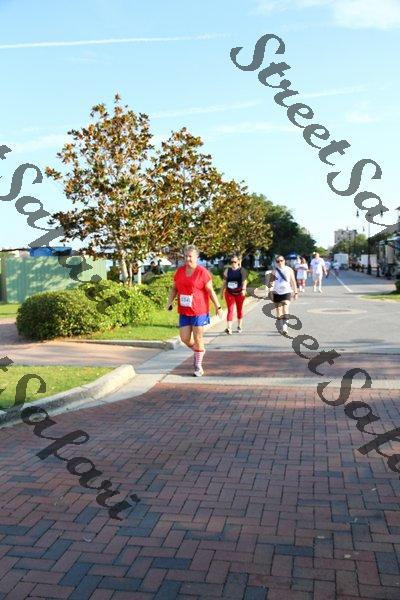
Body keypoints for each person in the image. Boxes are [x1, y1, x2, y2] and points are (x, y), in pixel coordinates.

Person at [167, 244, 223, 376]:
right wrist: (169, 302)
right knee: (184, 338)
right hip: (184, 310)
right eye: (185, 256)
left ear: (196, 257)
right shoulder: (180, 271)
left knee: (198, 338)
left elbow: (210, 291)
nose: (187, 259)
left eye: (190, 256)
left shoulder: (202, 272)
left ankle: (198, 366)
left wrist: (218, 306)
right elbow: (174, 288)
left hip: (199, 311)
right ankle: (199, 351)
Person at [266, 255, 298, 336]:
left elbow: (293, 281)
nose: (280, 262)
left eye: (281, 260)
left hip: (287, 291)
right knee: (279, 311)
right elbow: (271, 283)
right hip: (277, 292)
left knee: (285, 308)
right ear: (276, 262)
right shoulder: (274, 271)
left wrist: (296, 292)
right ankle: (280, 326)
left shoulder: (289, 269)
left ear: (284, 261)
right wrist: (270, 292)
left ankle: (285, 328)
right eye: (278, 261)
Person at [222, 254, 247, 334]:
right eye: (232, 262)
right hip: (229, 293)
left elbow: (244, 282)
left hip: (239, 293)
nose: (233, 263)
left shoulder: (242, 270)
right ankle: (229, 328)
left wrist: (244, 290)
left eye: (235, 262)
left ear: (238, 262)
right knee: (230, 310)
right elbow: (224, 282)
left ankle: (239, 326)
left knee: (239, 309)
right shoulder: (227, 271)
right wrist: (222, 292)